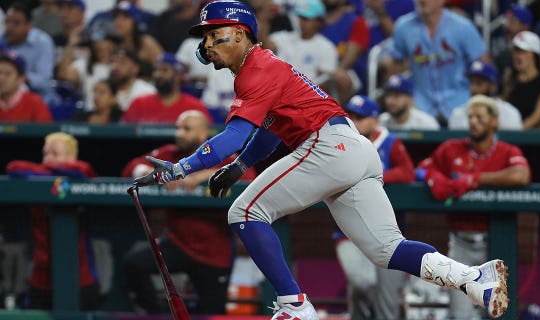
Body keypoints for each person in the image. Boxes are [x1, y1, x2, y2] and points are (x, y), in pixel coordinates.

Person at [134, 2, 510, 319]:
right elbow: (269, 131)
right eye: (205, 37)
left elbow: (232, 136)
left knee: (244, 213)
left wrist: (181, 168)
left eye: (217, 34)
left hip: (328, 145)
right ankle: (471, 278)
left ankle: (293, 304)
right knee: (387, 250)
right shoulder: (263, 66)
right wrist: (237, 167)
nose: (209, 43)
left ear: (243, 32)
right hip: (354, 150)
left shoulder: (256, 70)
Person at [122, 110, 256, 314]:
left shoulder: (222, 154)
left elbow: (247, 176)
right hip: (177, 243)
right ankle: (160, 315)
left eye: (187, 129)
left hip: (214, 253)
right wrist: (149, 173)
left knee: (212, 313)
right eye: (178, 128)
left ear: (204, 134)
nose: (180, 134)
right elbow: (133, 166)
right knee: (134, 263)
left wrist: (203, 176)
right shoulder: (170, 154)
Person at [416, 94, 530, 319]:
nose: (473, 122)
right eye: (470, 117)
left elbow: (521, 174)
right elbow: (420, 168)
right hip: (460, 243)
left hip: (495, 242)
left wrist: (476, 179)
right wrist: (433, 178)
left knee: (498, 311)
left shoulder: (507, 151)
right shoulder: (451, 148)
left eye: (480, 117)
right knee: (460, 314)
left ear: (494, 122)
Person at [335, 95, 413, 319]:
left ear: (375, 120)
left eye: (362, 117)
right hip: (348, 229)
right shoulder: (340, 140)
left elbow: (407, 172)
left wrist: (374, 176)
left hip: (389, 232)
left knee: (387, 302)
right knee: (362, 282)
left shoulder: (389, 142)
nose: (355, 121)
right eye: (353, 116)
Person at [5, 132, 100, 310]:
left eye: (55, 154)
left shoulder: (81, 173)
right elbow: (14, 167)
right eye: (45, 154)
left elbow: (82, 170)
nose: (48, 159)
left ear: (71, 157)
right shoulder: (38, 178)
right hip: (41, 278)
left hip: (79, 277)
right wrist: (51, 171)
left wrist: (45, 173)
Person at [383, 0, 486, 124]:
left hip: (460, 102)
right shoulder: (403, 27)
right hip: (420, 104)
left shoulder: (463, 27)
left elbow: (483, 63)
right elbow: (395, 63)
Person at [121, 53, 211, 124]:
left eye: (164, 70)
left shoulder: (195, 107)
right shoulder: (139, 103)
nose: (158, 75)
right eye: (156, 70)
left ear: (178, 75)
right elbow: (124, 133)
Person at [268, 0, 338, 85]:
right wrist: (264, 15)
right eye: (300, 17)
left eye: (307, 19)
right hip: (278, 90)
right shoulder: (283, 37)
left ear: (319, 22)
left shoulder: (327, 47)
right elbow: (264, 43)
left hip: (308, 95)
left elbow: (324, 83)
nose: (302, 22)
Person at [0, 2, 57, 104]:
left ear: (29, 25)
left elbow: (45, 81)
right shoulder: (1, 38)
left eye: (16, 23)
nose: (10, 27)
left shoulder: (42, 42)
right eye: (7, 22)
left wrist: (19, 78)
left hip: (39, 97)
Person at [502, 30, 540, 129]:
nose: (517, 55)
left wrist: (517, 132)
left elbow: (538, 115)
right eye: (515, 51)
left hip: (533, 136)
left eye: (522, 51)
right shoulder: (508, 79)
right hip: (509, 132)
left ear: (535, 55)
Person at [449, 60, 523, 130]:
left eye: (479, 83)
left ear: (493, 87)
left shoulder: (509, 114)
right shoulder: (458, 114)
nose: (473, 89)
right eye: (472, 83)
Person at [0, 51, 52, 122]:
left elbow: (45, 131)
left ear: (21, 79)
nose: (1, 78)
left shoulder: (35, 103)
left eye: (7, 74)